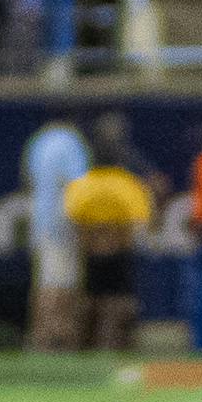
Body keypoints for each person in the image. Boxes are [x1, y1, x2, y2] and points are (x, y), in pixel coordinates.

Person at [63, 145, 154, 352]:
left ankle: (85, 345)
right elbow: (139, 223)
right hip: (120, 254)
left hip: (90, 255)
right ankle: (115, 345)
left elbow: (73, 222)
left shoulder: (81, 184)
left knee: (88, 301)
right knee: (120, 302)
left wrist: (95, 239)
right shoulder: (127, 183)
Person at [23, 115, 90, 349]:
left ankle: (41, 337)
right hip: (62, 222)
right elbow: (76, 185)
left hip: (41, 220)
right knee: (61, 285)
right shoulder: (70, 143)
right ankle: (57, 338)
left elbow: (28, 180)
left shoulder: (39, 142)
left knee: (45, 282)